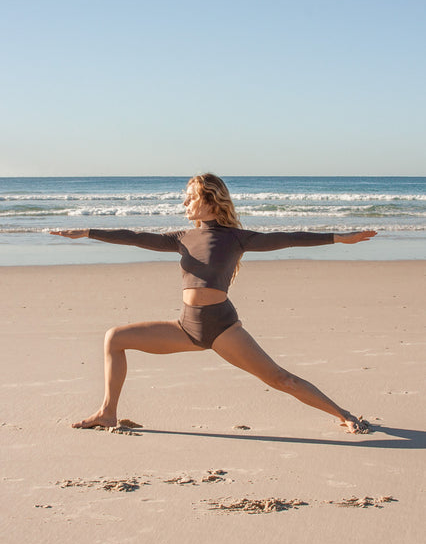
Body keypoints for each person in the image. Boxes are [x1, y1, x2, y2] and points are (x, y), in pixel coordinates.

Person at [51, 173, 376, 433]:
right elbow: (134, 236)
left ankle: (343, 414)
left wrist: (338, 237)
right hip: (187, 327)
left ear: (210, 200)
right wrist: (88, 231)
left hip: (222, 327)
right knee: (115, 337)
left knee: (280, 379)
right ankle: (108, 413)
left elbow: (289, 237)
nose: (185, 203)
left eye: (191, 197)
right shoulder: (181, 238)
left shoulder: (237, 238)